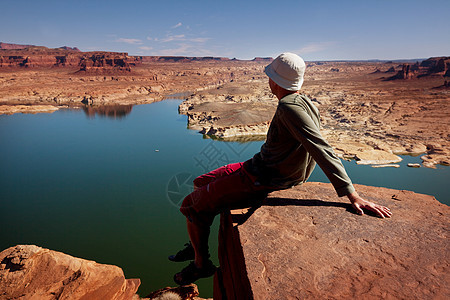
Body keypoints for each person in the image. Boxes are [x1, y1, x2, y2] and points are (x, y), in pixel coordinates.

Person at [170, 52, 392, 285]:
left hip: (263, 177)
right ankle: (196, 244)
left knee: (190, 205)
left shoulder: (289, 108)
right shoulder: (304, 102)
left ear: (274, 81)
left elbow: (320, 148)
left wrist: (351, 194)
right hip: (259, 166)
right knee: (201, 182)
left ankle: (201, 264)